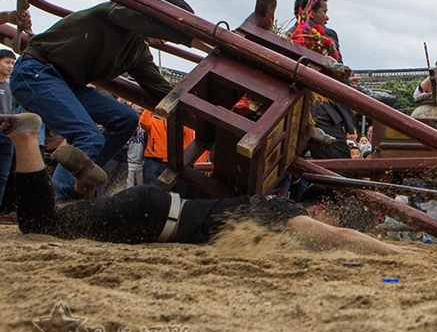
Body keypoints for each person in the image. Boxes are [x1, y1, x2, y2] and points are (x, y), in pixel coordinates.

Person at [4, 112, 413, 254]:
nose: (320, 223)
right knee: (41, 225)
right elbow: (341, 237)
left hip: (151, 212)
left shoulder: (264, 208)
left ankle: (83, 180)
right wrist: (398, 252)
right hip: (148, 216)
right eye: (321, 217)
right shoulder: (279, 211)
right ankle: (27, 135)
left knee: (56, 222)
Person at [10, 0, 205, 200]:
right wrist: (196, 40)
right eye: (172, 29)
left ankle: (83, 175)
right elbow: (131, 18)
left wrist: (205, 106)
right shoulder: (116, 12)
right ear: (156, 18)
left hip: (69, 86)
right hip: (37, 71)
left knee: (126, 118)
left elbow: (161, 90)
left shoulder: (137, 51)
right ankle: (60, 199)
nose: (168, 37)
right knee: (89, 135)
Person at [0, 48, 16, 207]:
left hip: (7, 136)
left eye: (12, 63)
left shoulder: (11, 87)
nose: (10, 66)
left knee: (3, 176)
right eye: (7, 62)